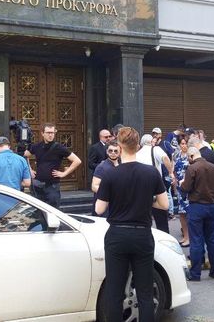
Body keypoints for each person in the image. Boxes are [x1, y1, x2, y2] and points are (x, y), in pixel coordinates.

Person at [95, 127, 168, 322]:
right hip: (142, 234)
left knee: (114, 291)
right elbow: (164, 204)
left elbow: (99, 209)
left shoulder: (110, 174)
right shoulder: (151, 173)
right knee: (145, 291)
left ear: (119, 147)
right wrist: (146, 201)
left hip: (117, 235)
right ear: (137, 146)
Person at [180, 147, 214, 281]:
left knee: (196, 240)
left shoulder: (192, 168)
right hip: (211, 206)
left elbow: (186, 188)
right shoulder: (213, 167)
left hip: (196, 206)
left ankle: (195, 274)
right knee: (212, 240)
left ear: (191, 156)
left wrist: (181, 184)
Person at [24, 123, 82, 208]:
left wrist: (64, 173)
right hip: (37, 186)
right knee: (38, 212)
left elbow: (77, 161)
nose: (50, 135)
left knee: (53, 211)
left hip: (52, 186)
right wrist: (29, 169)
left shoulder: (59, 147)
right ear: (42, 133)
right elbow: (25, 156)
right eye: (48, 132)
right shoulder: (36, 146)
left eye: (52, 132)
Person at [137, 134, 176, 233]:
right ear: (151, 142)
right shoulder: (155, 149)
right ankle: (164, 236)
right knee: (161, 218)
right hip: (155, 186)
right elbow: (165, 158)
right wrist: (171, 172)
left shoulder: (137, 153)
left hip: (141, 188)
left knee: (144, 218)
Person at [91, 141, 121, 217]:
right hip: (104, 206)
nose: (113, 153)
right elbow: (94, 186)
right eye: (110, 151)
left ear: (120, 152)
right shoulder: (101, 167)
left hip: (117, 206)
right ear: (107, 152)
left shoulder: (122, 166)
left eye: (116, 151)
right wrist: (110, 193)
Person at [172, 138, 190, 247]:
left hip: (189, 189)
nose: (184, 145)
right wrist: (174, 186)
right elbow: (173, 171)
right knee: (181, 214)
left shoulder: (190, 156)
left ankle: (190, 238)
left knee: (188, 213)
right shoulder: (176, 155)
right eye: (182, 143)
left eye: (185, 143)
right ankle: (185, 236)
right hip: (179, 188)